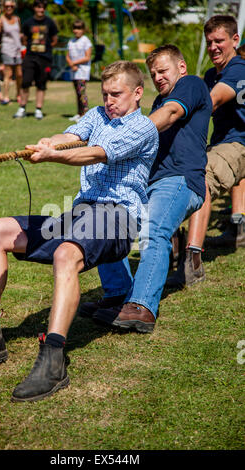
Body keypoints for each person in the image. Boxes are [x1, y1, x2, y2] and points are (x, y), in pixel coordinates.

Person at [0, 61, 159, 402]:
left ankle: (54, 357)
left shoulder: (144, 128)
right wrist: (50, 141)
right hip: (81, 214)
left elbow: (95, 153)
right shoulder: (98, 115)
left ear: (137, 93)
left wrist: (52, 157)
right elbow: (73, 136)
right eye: (105, 93)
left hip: (118, 217)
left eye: (116, 94)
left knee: (65, 253)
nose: (109, 100)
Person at [79, 44, 212, 332]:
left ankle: (141, 306)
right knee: (107, 221)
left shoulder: (191, 85)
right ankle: (117, 295)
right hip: (148, 184)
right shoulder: (156, 104)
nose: (158, 77)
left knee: (155, 230)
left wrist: (129, 135)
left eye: (163, 70)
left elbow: (172, 113)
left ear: (181, 67)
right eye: (153, 73)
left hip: (179, 180)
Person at [167, 15, 245, 288]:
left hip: (240, 145)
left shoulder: (238, 69)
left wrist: (172, 114)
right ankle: (172, 250)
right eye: (209, 41)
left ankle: (193, 262)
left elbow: (210, 102)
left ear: (235, 40)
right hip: (221, 142)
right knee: (170, 173)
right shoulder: (212, 74)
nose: (213, 47)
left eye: (219, 41)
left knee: (200, 180)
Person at [13, 0, 58, 120]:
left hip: (45, 58)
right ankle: (22, 108)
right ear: (34, 8)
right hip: (30, 57)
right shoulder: (28, 22)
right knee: (25, 82)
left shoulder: (50, 22)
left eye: (43, 7)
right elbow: (24, 38)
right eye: (38, 7)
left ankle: (38, 109)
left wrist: (46, 49)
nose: (41, 10)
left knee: (41, 84)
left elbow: (54, 39)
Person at [0, 0, 22, 104]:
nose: (9, 8)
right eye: (6, 6)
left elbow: (19, 33)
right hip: (7, 49)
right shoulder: (1, 20)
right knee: (8, 74)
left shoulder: (17, 19)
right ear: (4, 7)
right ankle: (6, 96)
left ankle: (18, 95)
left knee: (19, 74)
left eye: (11, 6)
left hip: (18, 49)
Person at [66, 19, 92, 123]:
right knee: (77, 93)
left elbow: (87, 57)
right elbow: (67, 56)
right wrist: (71, 64)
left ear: (83, 30)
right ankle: (79, 113)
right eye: (75, 28)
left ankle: (86, 114)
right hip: (74, 71)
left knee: (82, 93)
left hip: (82, 71)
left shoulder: (86, 41)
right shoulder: (71, 41)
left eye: (79, 28)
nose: (76, 31)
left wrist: (74, 63)